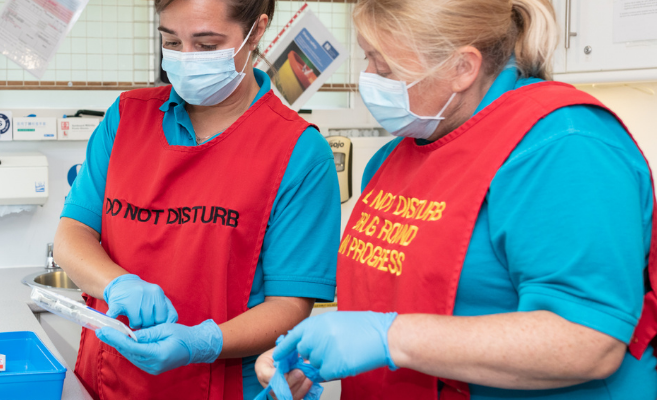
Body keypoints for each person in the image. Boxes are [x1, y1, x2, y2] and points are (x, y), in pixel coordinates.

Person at [256, 0, 657, 399]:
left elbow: (587, 341)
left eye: (385, 66)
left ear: (462, 67)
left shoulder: (564, 147)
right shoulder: (392, 160)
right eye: (368, 57)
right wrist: (316, 352)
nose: (369, 78)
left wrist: (389, 338)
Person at [52, 0, 342, 397]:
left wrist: (201, 343)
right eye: (171, 42)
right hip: (107, 379)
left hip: (219, 384)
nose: (186, 60)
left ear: (256, 31)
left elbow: (290, 306)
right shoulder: (126, 118)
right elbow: (72, 236)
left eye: (206, 45)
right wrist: (117, 284)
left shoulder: (298, 152)